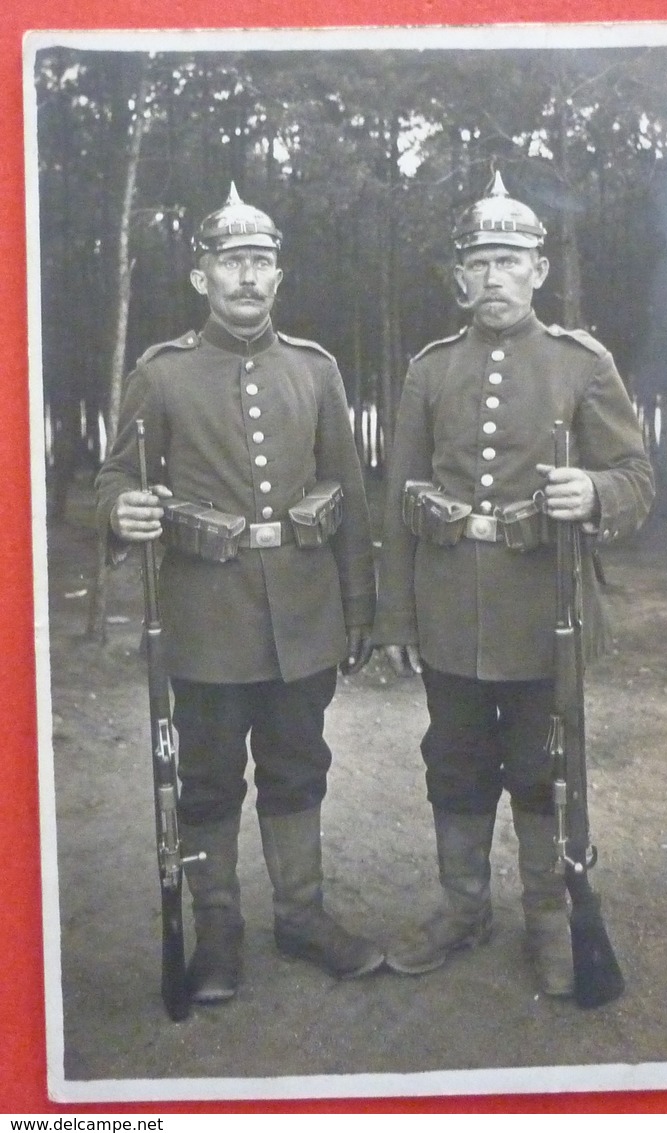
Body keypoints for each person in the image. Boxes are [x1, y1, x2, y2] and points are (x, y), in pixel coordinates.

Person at [96, 184, 384, 1005]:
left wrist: (358, 608)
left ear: (278, 277)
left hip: (302, 613)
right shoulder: (161, 373)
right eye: (231, 263)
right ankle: (217, 926)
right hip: (205, 619)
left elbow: (349, 493)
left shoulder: (314, 368)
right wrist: (124, 505)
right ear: (201, 278)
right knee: (211, 778)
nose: (247, 279)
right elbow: (115, 476)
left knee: (298, 766)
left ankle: (301, 915)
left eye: (260, 263)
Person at [372, 171, 655, 997]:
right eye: (478, 262)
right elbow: (399, 499)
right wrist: (395, 618)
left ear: (537, 269)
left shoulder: (580, 363)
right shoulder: (429, 371)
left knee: (542, 767)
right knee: (454, 762)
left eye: (508, 259)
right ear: (458, 277)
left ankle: (546, 918)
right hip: (450, 608)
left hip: (546, 608)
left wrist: (593, 493)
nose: (493, 276)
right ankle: (463, 908)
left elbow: (635, 476)